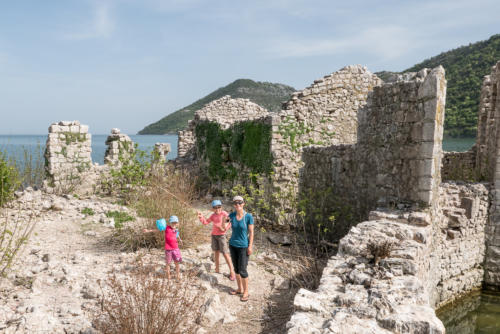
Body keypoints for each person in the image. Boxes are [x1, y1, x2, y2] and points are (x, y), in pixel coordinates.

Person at [197, 200, 236, 280]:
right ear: (213, 208)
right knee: (216, 252)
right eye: (215, 207)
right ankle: (217, 269)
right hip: (214, 236)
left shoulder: (225, 214)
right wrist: (201, 217)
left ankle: (232, 272)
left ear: (221, 207)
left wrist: (224, 229)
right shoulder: (212, 216)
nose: (217, 209)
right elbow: (205, 222)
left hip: (222, 236)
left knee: (225, 253)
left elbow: (229, 223)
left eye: (219, 207)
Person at [227, 195, 254, 302]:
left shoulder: (248, 217)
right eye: (235, 203)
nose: (237, 205)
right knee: (236, 269)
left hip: (243, 246)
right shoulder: (232, 215)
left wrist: (250, 246)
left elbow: (251, 233)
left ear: (243, 203)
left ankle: (246, 291)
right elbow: (222, 224)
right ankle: (239, 289)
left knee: (243, 270)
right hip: (233, 245)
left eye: (239, 202)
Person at [143, 215, 182, 280]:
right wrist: (148, 230)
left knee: (177, 262)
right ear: (170, 222)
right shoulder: (167, 228)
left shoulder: (176, 230)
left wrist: (180, 240)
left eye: (175, 223)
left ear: (177, 223)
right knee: (168, 263)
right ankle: (168, 275)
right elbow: (157, 230)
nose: (174, 224)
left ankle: (178, 275)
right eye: (172, 222)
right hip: (168, 249)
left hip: (175, 249)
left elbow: (177, 236)